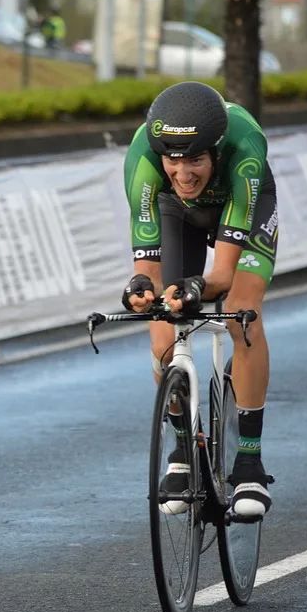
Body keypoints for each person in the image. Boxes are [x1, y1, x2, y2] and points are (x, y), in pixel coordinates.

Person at [120, 81, 278, 518]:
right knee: (163, 330)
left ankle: (249, 460)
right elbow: (146, 267)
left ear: (215, 150)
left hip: (243, 202)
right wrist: (141, 289)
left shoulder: (244, 146)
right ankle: (183, 450)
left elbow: (222, 276)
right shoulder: (143, 158)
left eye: (195, 159)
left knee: (242, 315)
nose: (184, 172)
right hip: (178, 214)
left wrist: (197, 289)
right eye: (173, 159)